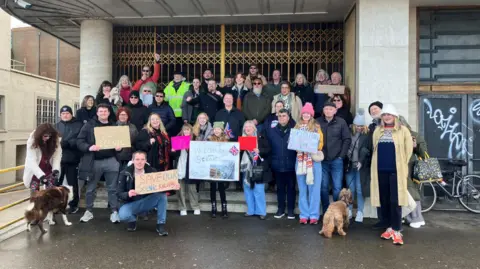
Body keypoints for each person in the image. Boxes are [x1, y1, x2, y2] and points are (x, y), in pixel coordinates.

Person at [371, 104, 413, 246]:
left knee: (395, 201)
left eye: (389, 114)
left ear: (395, 116)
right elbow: (374, 149)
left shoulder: (403, 131)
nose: (387, 117)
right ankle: (388, 227)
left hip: (396, 171)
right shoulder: (378, 131)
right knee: (384, 200)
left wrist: (401, 166)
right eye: (384, 115)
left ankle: (396, 229)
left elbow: (408, 151)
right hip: (380, 170)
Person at [77, 104, 122, 223]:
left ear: (108, 113)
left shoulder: (114, 125)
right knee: (91, 188)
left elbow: (120, 142)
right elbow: (79, 141)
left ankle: (114, 212)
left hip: (111, 160)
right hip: (94, 161)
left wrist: (119, 148)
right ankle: (89, 211)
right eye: (100, 111)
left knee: (112, 188)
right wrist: (89, 147)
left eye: (105, 111)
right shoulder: (89, 125)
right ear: (97, 113)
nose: (103, 113)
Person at [117, 151, 168, 236]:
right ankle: (132, 221)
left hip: (147, 201)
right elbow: (118, 193)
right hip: (132, 203)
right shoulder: (125, 173)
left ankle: (161, 225)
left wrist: (173, 186)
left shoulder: (152, 171)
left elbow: (161, 188)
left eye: (142, 159)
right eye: (137, 159)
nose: (139, 162)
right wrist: (128, 194)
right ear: (132, 161)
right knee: (123, 215)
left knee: (162, 196)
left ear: (145, 161)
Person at [317, 102, 351, 213]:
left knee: (337, 187)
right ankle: (327, 211)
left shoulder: (341, 122)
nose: (328, 111)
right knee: (323, 187)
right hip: (322, 160)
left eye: (331, 109)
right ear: (323, 110)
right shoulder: (317, 122)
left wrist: (341, 155)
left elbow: (347, 139)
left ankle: (336, 211)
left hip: (337, 159)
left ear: (335, 111)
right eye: (326, 109)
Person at [294, 103, 324, 225]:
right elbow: (293, 142)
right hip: (300, 159)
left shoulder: (316, 127)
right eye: (304, 113)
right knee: (302, 189)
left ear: (311, 114)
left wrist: (313, 147)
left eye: (308, 113)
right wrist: (298, 147)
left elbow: (321, 143)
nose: (306, 115)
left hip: (313, 160)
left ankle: (313, 215)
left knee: (314, 188)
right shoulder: (297, 126)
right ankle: (303, 214)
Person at [264, 109, 297, 220]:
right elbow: (268, 147)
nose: (282, 118)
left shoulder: (294, 130)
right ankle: (281, 209)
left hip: (291, 163)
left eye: (284, 116)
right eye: (280, 116)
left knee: (291, 188)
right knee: (280, 189)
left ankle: (291, 210)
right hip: (277, 164)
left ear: (288, 118)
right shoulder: (272, 131)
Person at [399, 116, 427, 229]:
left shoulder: (414, 135)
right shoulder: (394, 135)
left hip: (410, 167)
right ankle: (406, 217)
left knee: (411, 191)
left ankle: (417, 217)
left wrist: (415, 147)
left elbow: (424, 154)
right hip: (398, 167)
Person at [240, 121, 271, 220]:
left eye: (250, 126)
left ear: (254, 128)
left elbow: (268, 150)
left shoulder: (261, 138)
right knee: (247, 188)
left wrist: (260, 150)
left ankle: (261, 211)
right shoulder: (241, 139)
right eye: (246, 126)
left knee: (258, 189)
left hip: (257, 166)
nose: (248, 128)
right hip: (245, 167)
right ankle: (250, 210)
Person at [55, 105, 83, 213]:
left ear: (71, 114)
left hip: (72, 159)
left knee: (72, 184)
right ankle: (56, 204)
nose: (65, 115)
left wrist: (68, 143)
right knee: (56, 183)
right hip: (58, 160)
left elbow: (79, 140)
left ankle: (73, 205)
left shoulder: (78, 125)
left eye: (67, 113)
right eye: (63, 114)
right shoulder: (56, 126)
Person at [23, 123, 62, 195]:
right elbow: (31, 161)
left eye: (49, 136)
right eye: (45, 136)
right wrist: (40, 176)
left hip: (48, 169)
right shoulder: (32, 141)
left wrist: (56, 169)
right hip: (35, 170)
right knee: (35, 195)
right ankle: (34, 205)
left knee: (50, 193)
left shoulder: (54, 140)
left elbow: (57, 156)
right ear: (40, 134)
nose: (47, 138)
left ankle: (49, 206)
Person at [172, 124, 201, 216]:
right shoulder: (178, 139)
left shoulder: (195, 140)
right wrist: (173, 150)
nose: (186, 132)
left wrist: (189, 149)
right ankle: (182, 208)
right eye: (185, 130)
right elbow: (173, 156)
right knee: (180, 189)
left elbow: (198, 155)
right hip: (180, 165)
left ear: (191, 131)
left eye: (188, 130)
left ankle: (195, 207)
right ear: (182, 131)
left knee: (192, 189)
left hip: (191, 167)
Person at [346, 108, 369, 223]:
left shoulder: (366, 135)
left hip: (361, 166)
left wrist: (361, 160)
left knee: (360, 189)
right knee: (351, 189)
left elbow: (367, 149)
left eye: (361, 126)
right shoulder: (349, 133)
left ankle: (360, 211)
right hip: (350, 165)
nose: (359, 128)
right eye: (357, 126)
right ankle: (349, 210)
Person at [208, 121, 230, 218]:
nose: (217, 131)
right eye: (215, 129)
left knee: (221, 188)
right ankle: (214, 207)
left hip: (222, 167)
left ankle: (224, 207)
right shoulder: (209, 140)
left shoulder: (226, 140)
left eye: (219, 129)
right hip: (212, 167)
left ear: (222, 130)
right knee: (213, 187)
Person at [164, 71, 191, 136]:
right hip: (172, 114)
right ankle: (173, 146)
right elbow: (164, 98)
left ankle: (182, 146)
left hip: (183, 115)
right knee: (173, 133)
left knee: (183, 133)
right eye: (175, 76)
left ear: (182, 77)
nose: (177, 77)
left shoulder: (187, 85)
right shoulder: (168, 86)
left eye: (179, 76)